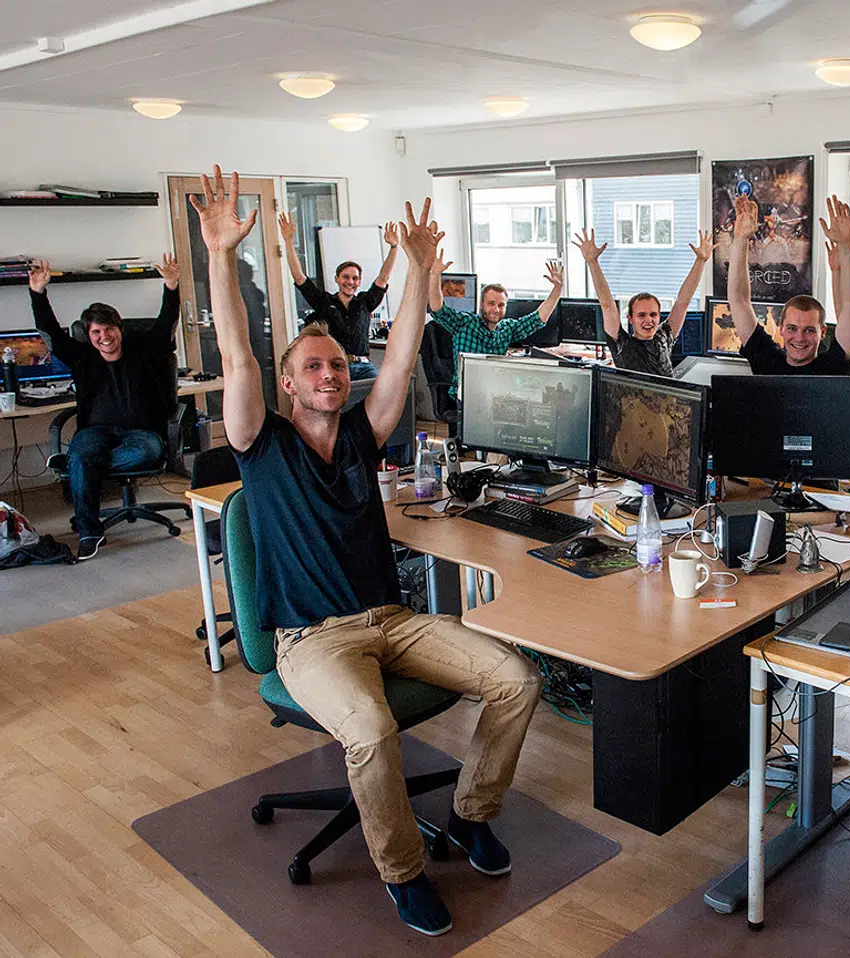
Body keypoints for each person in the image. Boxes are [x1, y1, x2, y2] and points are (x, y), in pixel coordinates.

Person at [193, 167, 540, 937]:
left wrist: (419, 270)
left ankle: (471, 817)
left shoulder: (361, 433)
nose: (327, 374)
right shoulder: (260, 444)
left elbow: (400, 353)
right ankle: (403, 869)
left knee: (516, 679)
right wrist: (221, 256)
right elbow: (237, 354)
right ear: (288, 386)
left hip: (392, 619)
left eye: (332, 365)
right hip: (312, 639)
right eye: (310, 368)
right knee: (374, 731)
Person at [28, 254, 184, 560]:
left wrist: (171, 285)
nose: (104, 337)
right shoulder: (82, 357)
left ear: (120, 328)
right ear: (89, 336)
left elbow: (166, 321)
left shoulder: (146, 350)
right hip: (96, 432)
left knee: (125, 456)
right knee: (85, 451)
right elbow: (51, 333)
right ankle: (89, 531)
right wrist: (38, 293)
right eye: (96, 333)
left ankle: (79, 466)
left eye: (109, 329)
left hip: (141, 435)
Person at [727, 194, 850, 374]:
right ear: (781, 328)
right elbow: (738, 300)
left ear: (822, 332)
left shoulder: (833, 366)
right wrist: (741, 240)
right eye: (792, 328)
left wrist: (846, 245)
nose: (799, 338)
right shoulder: (767, 359)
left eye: (809, 331)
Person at [572, 228, 712, 377]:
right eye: (641, 315)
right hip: (635, 399)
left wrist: (701, 261)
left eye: (653, 314)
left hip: (668, 398)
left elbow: (683, 302)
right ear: (630, 319)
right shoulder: (622, 344)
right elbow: (607, 305)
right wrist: (592, 262)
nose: (648, 320)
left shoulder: (664, 337)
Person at [278, 213, 398, 381]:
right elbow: (299, 277)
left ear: (359, 281)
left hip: (363, 367)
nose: (350, 282)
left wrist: (394, 247)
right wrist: (289, 241)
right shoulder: (324, 302)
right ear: (337, 279)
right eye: (345, 277)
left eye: (355, 278)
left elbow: (383, 278)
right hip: (335, 367)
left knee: (383, 391)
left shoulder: (365, 302)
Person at [426, 261, 563, 396]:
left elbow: (537, 319)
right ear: (481, 304)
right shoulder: (464, 323)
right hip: (469, 393)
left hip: (497, 392)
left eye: (501, 305)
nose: (496, 309)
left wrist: (557, 289)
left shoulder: (507, 328)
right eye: (491, 303)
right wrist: (434, 276)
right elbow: (438, 310)